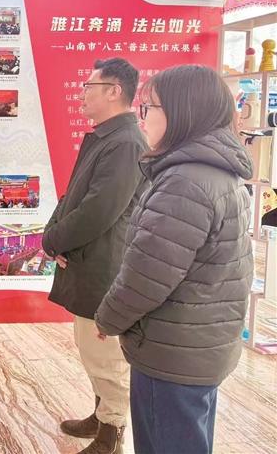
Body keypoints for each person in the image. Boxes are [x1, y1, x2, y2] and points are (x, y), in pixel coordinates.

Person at [95, 66, 253, 454]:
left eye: (149, 108)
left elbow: (147, 275)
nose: (142, 118)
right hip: (199, 345)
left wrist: (109, 319)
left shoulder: (185, 182)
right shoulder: (216, 171)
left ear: (182, 112)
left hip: (172, 350)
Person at [42, 58, 147, 454]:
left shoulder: (126, 143)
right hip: (88, 258)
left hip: (105, 263)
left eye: (89, 85)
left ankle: (112, 431)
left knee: (106, 353)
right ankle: (102, 414)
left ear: (114, 91)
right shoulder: (107, 137)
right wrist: (53, 236)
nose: (82, 93)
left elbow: (100, 210)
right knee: (90, 345)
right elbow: (74, 196)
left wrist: (57, 240)